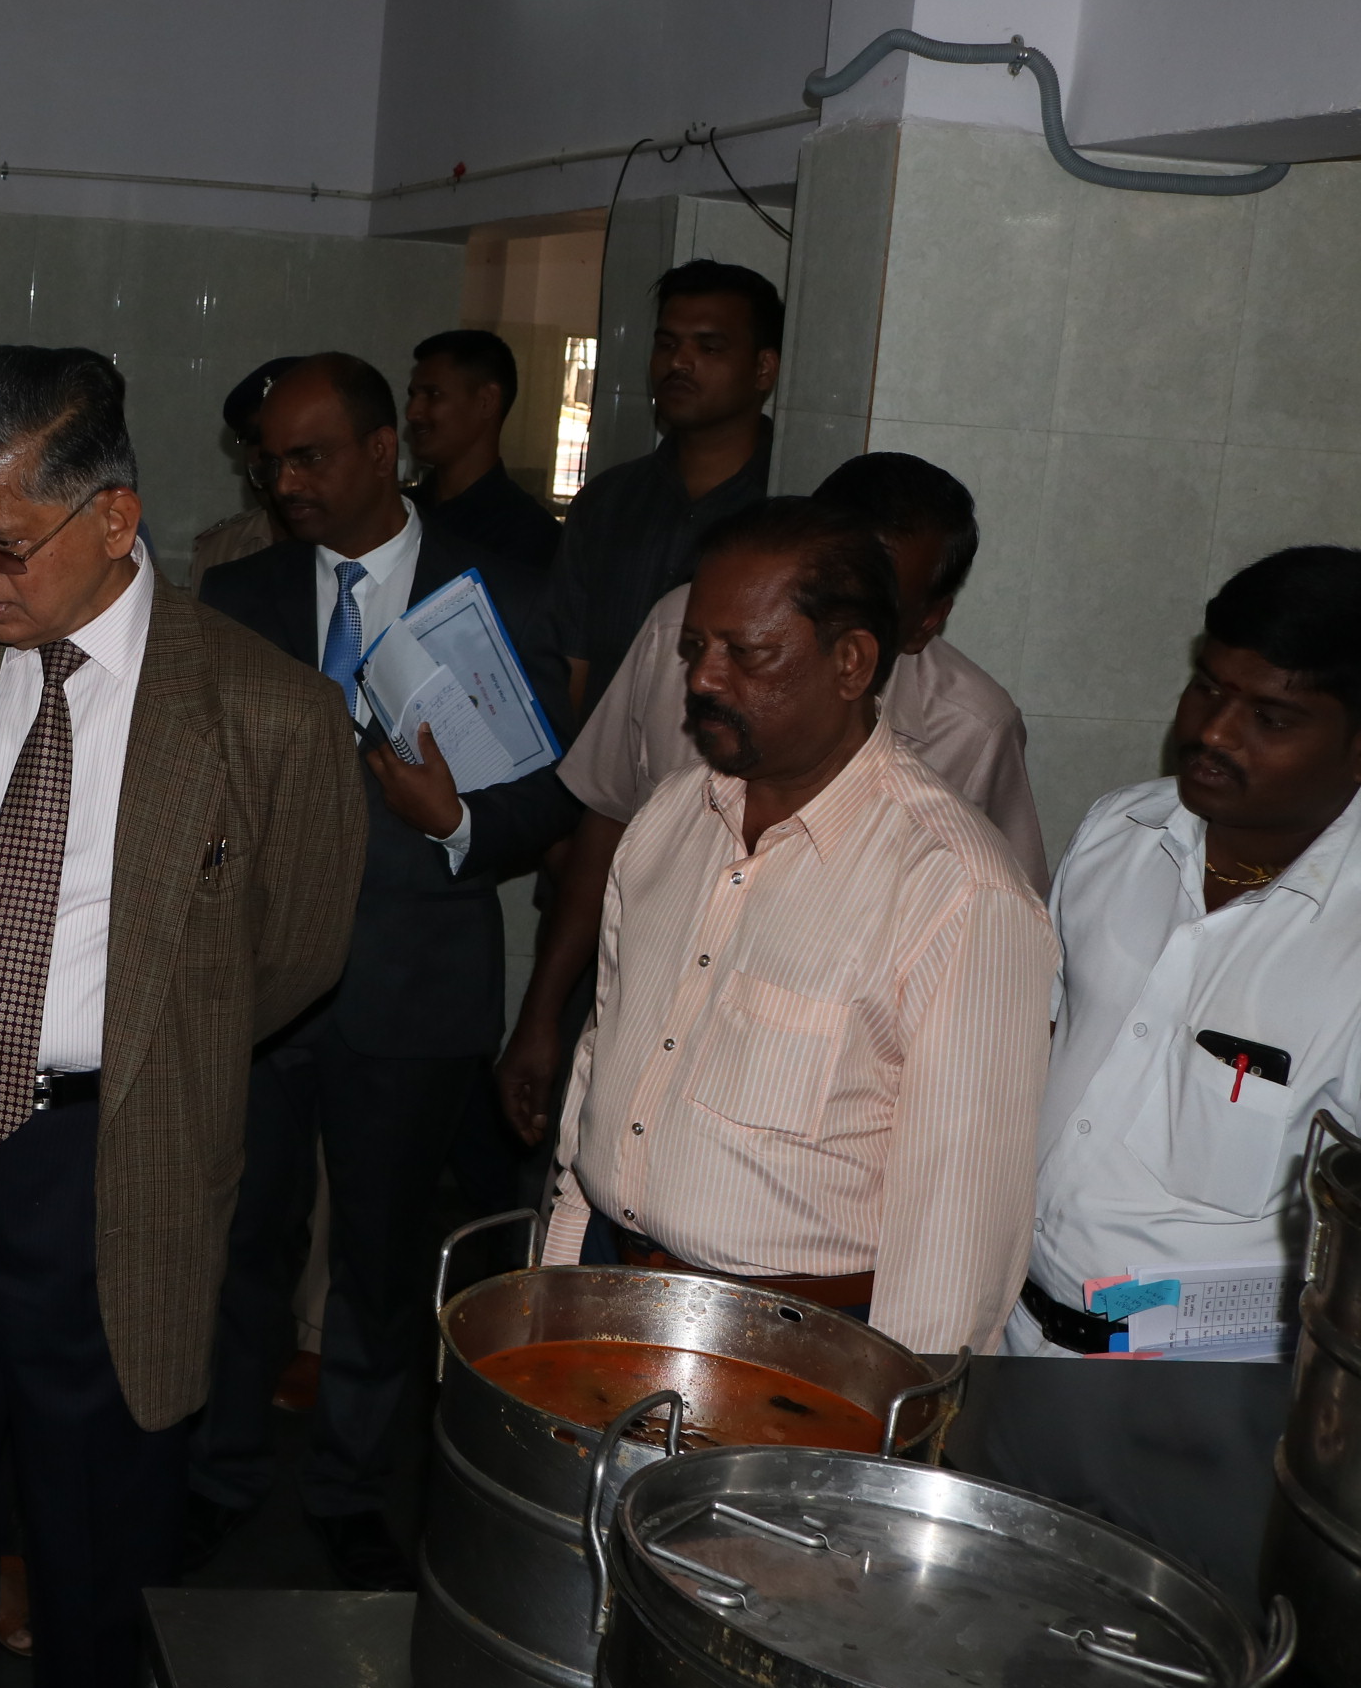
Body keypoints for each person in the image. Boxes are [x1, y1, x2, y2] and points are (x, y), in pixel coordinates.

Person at [0, 346, 366, 1688]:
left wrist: (139, 1052)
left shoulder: (267, 714)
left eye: (4, 546)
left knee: (98, 1524)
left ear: (115, 517)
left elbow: (293, 959)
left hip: (110, 1160)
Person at [185, 354, 578, 1587]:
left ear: (378, 452)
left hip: (415, 979)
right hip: (259, 981)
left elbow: (554, 796)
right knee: (241, 1240)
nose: (285, 480)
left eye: (309, 457)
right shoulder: (239, 593)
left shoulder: (501, 587)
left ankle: (353, 1486)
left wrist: (455, 820)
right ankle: (219, 1469)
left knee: (381, 1256)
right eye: (269, 462)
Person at [539, 498, 1055, 1353]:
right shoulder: (670, 819)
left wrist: (898, 1409)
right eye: (696, 648)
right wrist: (562, 1269)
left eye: (747, 654)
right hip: (610, 1282)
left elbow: (958, 1239)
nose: (704, 681)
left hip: (801, 1342)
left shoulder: (958, 892)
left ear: (851, 662)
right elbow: (604, 1061)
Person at [496, 451, 1046, 1146]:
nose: (706, 679)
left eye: (874, 595)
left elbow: (992, 977)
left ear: (924, 620)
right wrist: (542, 1016)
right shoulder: (683, 647)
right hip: (635, 1067)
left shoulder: (970, 731)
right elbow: (608, 821)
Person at [1012, 546, 1361, 1359]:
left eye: (1271, 718)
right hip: (1011, 1331)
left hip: (1207, 1386)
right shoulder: (1118, 833)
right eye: (1208, 687)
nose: (1212, 732)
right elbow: (1042, 1040)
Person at [548, 261, 782, 717]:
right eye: (667, 344)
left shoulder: (791, 509)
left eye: (709, 347)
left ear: (763, 369)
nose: (678, 363)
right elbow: (569, 668)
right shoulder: (606, 502)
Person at [403, 328, 561, 572]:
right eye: (413, 395)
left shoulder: (531, 536)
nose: (413, 412)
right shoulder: (401, 511)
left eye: (433, 394)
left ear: (486, 401)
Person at [186, 356, 299, 577]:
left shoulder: (354, 550)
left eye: (290, 437)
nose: (270, 454)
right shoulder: (220, 552)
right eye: (256, 438)